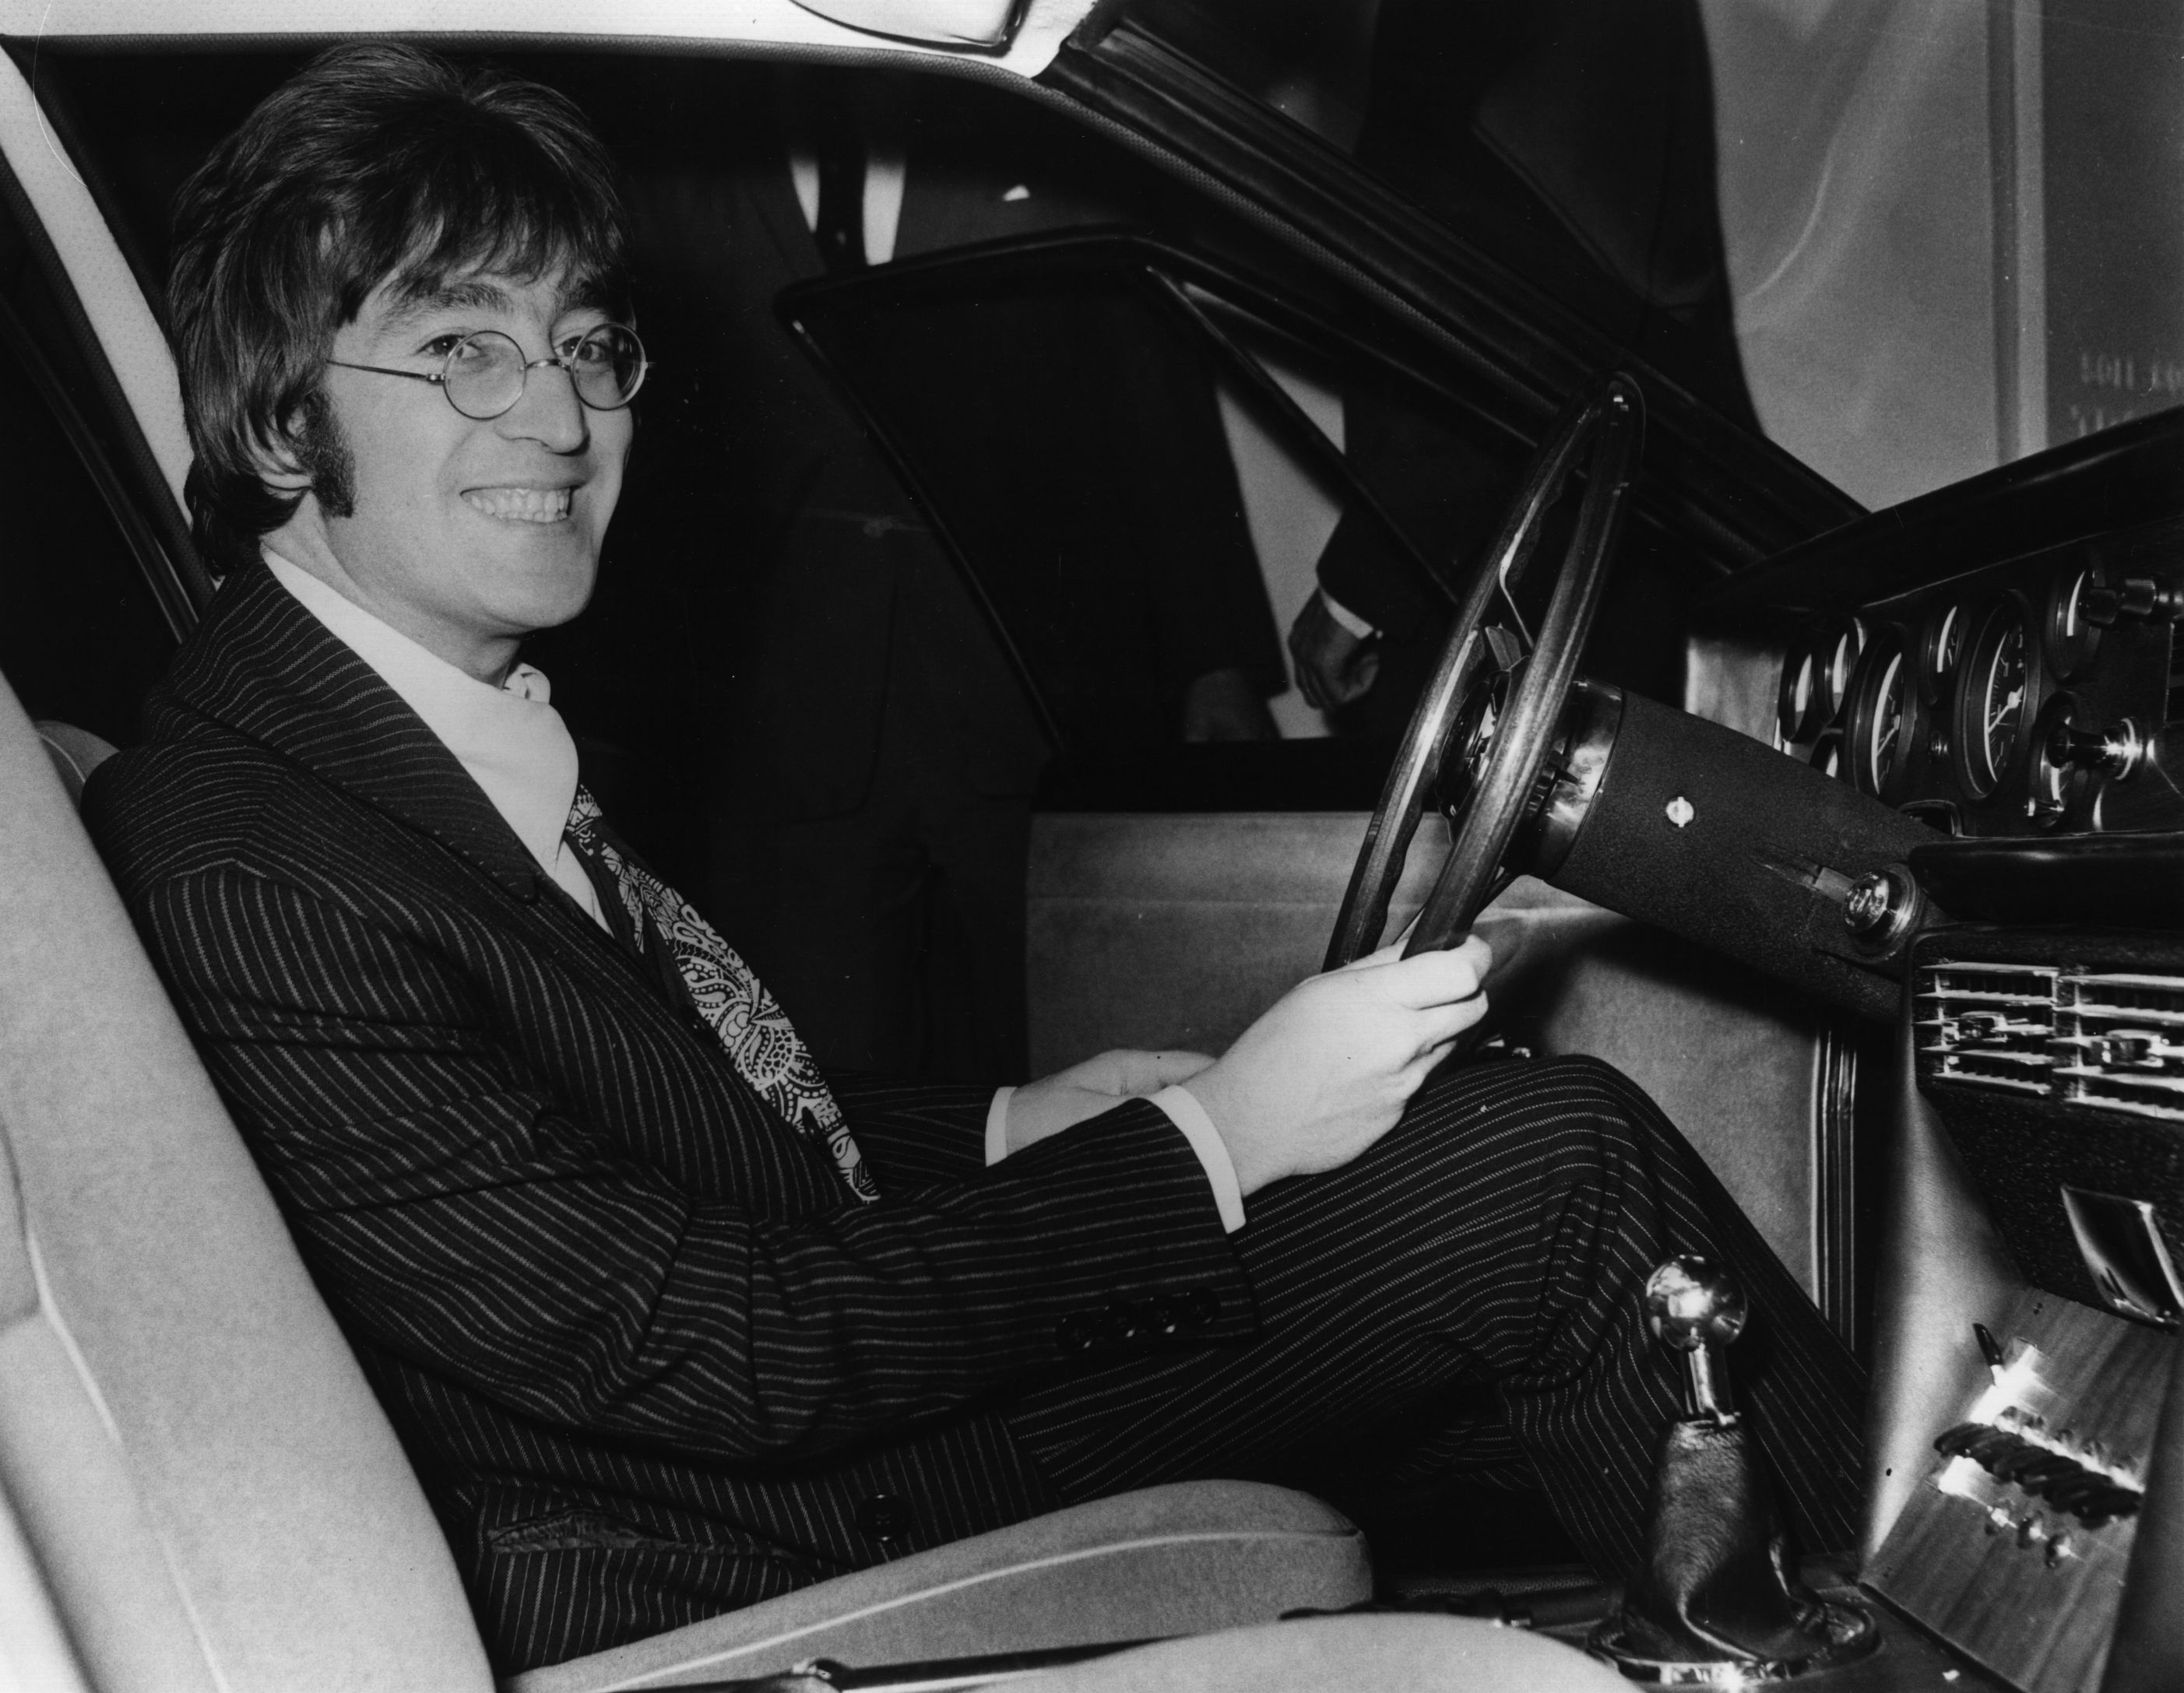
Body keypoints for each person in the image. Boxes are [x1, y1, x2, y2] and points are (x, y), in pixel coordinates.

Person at [86, 45, 1866, 1676]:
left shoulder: (394, 733)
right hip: (738, 1539)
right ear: (270, 422)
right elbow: (716, 1346)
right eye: (463, 345)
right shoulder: (256, 855)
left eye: (582, 342)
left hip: (772, 1448)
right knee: (1544, 1180)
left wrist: (1022, 1120)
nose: (557, 420)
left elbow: (645, 1141)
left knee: (1547, 1312)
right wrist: (1219, 1139)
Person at [590, 65, 1282, 1084]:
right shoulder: (669, 156)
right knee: (829, 1090)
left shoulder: (1036, 135)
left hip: (1039, 705)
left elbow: (1152, 402)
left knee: (1092, 1066)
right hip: (780, 735)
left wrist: (1214, 661)